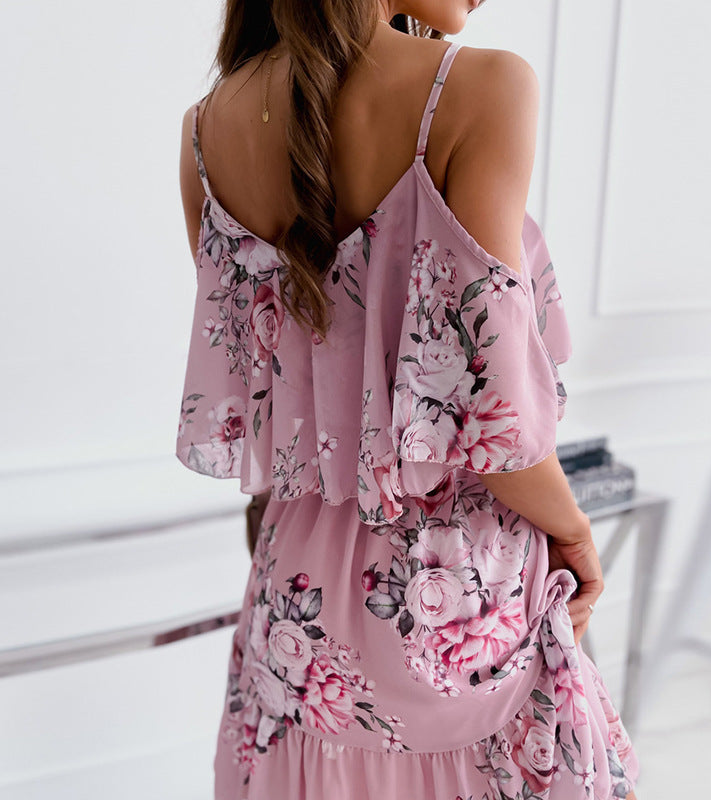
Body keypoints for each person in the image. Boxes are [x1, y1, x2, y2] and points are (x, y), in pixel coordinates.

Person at [176, 2, 640, 798]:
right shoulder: (482, 87)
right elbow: (489, 411)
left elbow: (268, 393)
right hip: (457, 589)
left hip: (297, 595)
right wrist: (573, 531)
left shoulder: (204, 132)